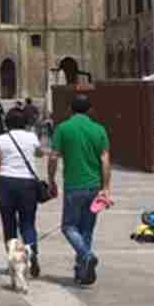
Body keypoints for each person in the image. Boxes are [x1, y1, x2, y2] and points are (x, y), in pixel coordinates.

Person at [47, 94, 112, 287]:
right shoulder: (99, 129)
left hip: (73, 186)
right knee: (86, 229)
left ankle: (86, 255)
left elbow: (53, 157)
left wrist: (51, 180)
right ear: (90, 110)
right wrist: (106, 188)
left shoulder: (63, 128)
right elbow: (105, 161)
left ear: (70, 110)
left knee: (68, 227)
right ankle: (81, 271)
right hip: (94, 186)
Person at [0, 107, 43, 278]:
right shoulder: (31, 137)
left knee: (9, 224)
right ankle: (31, 252)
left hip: (6, 184)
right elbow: (38, 153)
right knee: (28, 223)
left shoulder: (1, 139)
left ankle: (15, 262)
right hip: (27, 184)